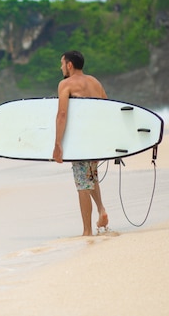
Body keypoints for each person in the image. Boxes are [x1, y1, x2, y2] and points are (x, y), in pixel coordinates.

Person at [52, 50, 109, 236]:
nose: (61, 67)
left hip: (81, 141)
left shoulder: (65, 84)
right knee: (90, 176)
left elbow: (62, 114)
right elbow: (108, 108)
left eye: (62, 63)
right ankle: (101, 210)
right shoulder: (95, 82)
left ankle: (87, 231)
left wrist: (58, 143)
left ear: (69, 65)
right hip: (97, 140)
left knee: (82, 184)